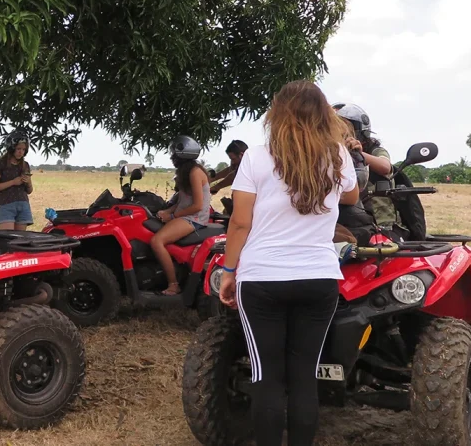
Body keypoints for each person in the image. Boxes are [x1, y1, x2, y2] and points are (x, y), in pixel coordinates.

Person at [218, 80, 360, 446]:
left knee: (267, 379)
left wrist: (229, 271)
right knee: (303, 378)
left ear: (277, 113)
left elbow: (239, 222)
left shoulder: (256, 157)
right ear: (324, 115)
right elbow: (353, 194)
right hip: (318, 278)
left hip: (262, 280)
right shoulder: (336, 156)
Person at [150, 136, 212, 296]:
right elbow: (184, 201)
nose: (172, 158)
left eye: (174, 155)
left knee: (157, 241)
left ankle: (173, 284)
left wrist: (173, 216)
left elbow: (197, 205)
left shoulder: (195, 173)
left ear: (182, 156)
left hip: (194, 218)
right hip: (186, 215)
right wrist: (167, 211)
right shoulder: (186, 172)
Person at [333, 103, 401, 233]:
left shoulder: (375, 150)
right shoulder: (332, 153)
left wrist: (357, 153)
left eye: (345, 127)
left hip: (381, 224)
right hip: (346, 222)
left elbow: (385, 166)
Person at [0, 130, 34, 230]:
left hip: (23, 205)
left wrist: (28, 182)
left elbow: (30, 191)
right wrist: (13, 182)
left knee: (20, 240)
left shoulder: (25, 165)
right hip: (6, 205)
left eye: (23, 149)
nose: (21, 152)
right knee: (6, 239)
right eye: (18, 149)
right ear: (11, 148)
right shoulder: (1, 163)